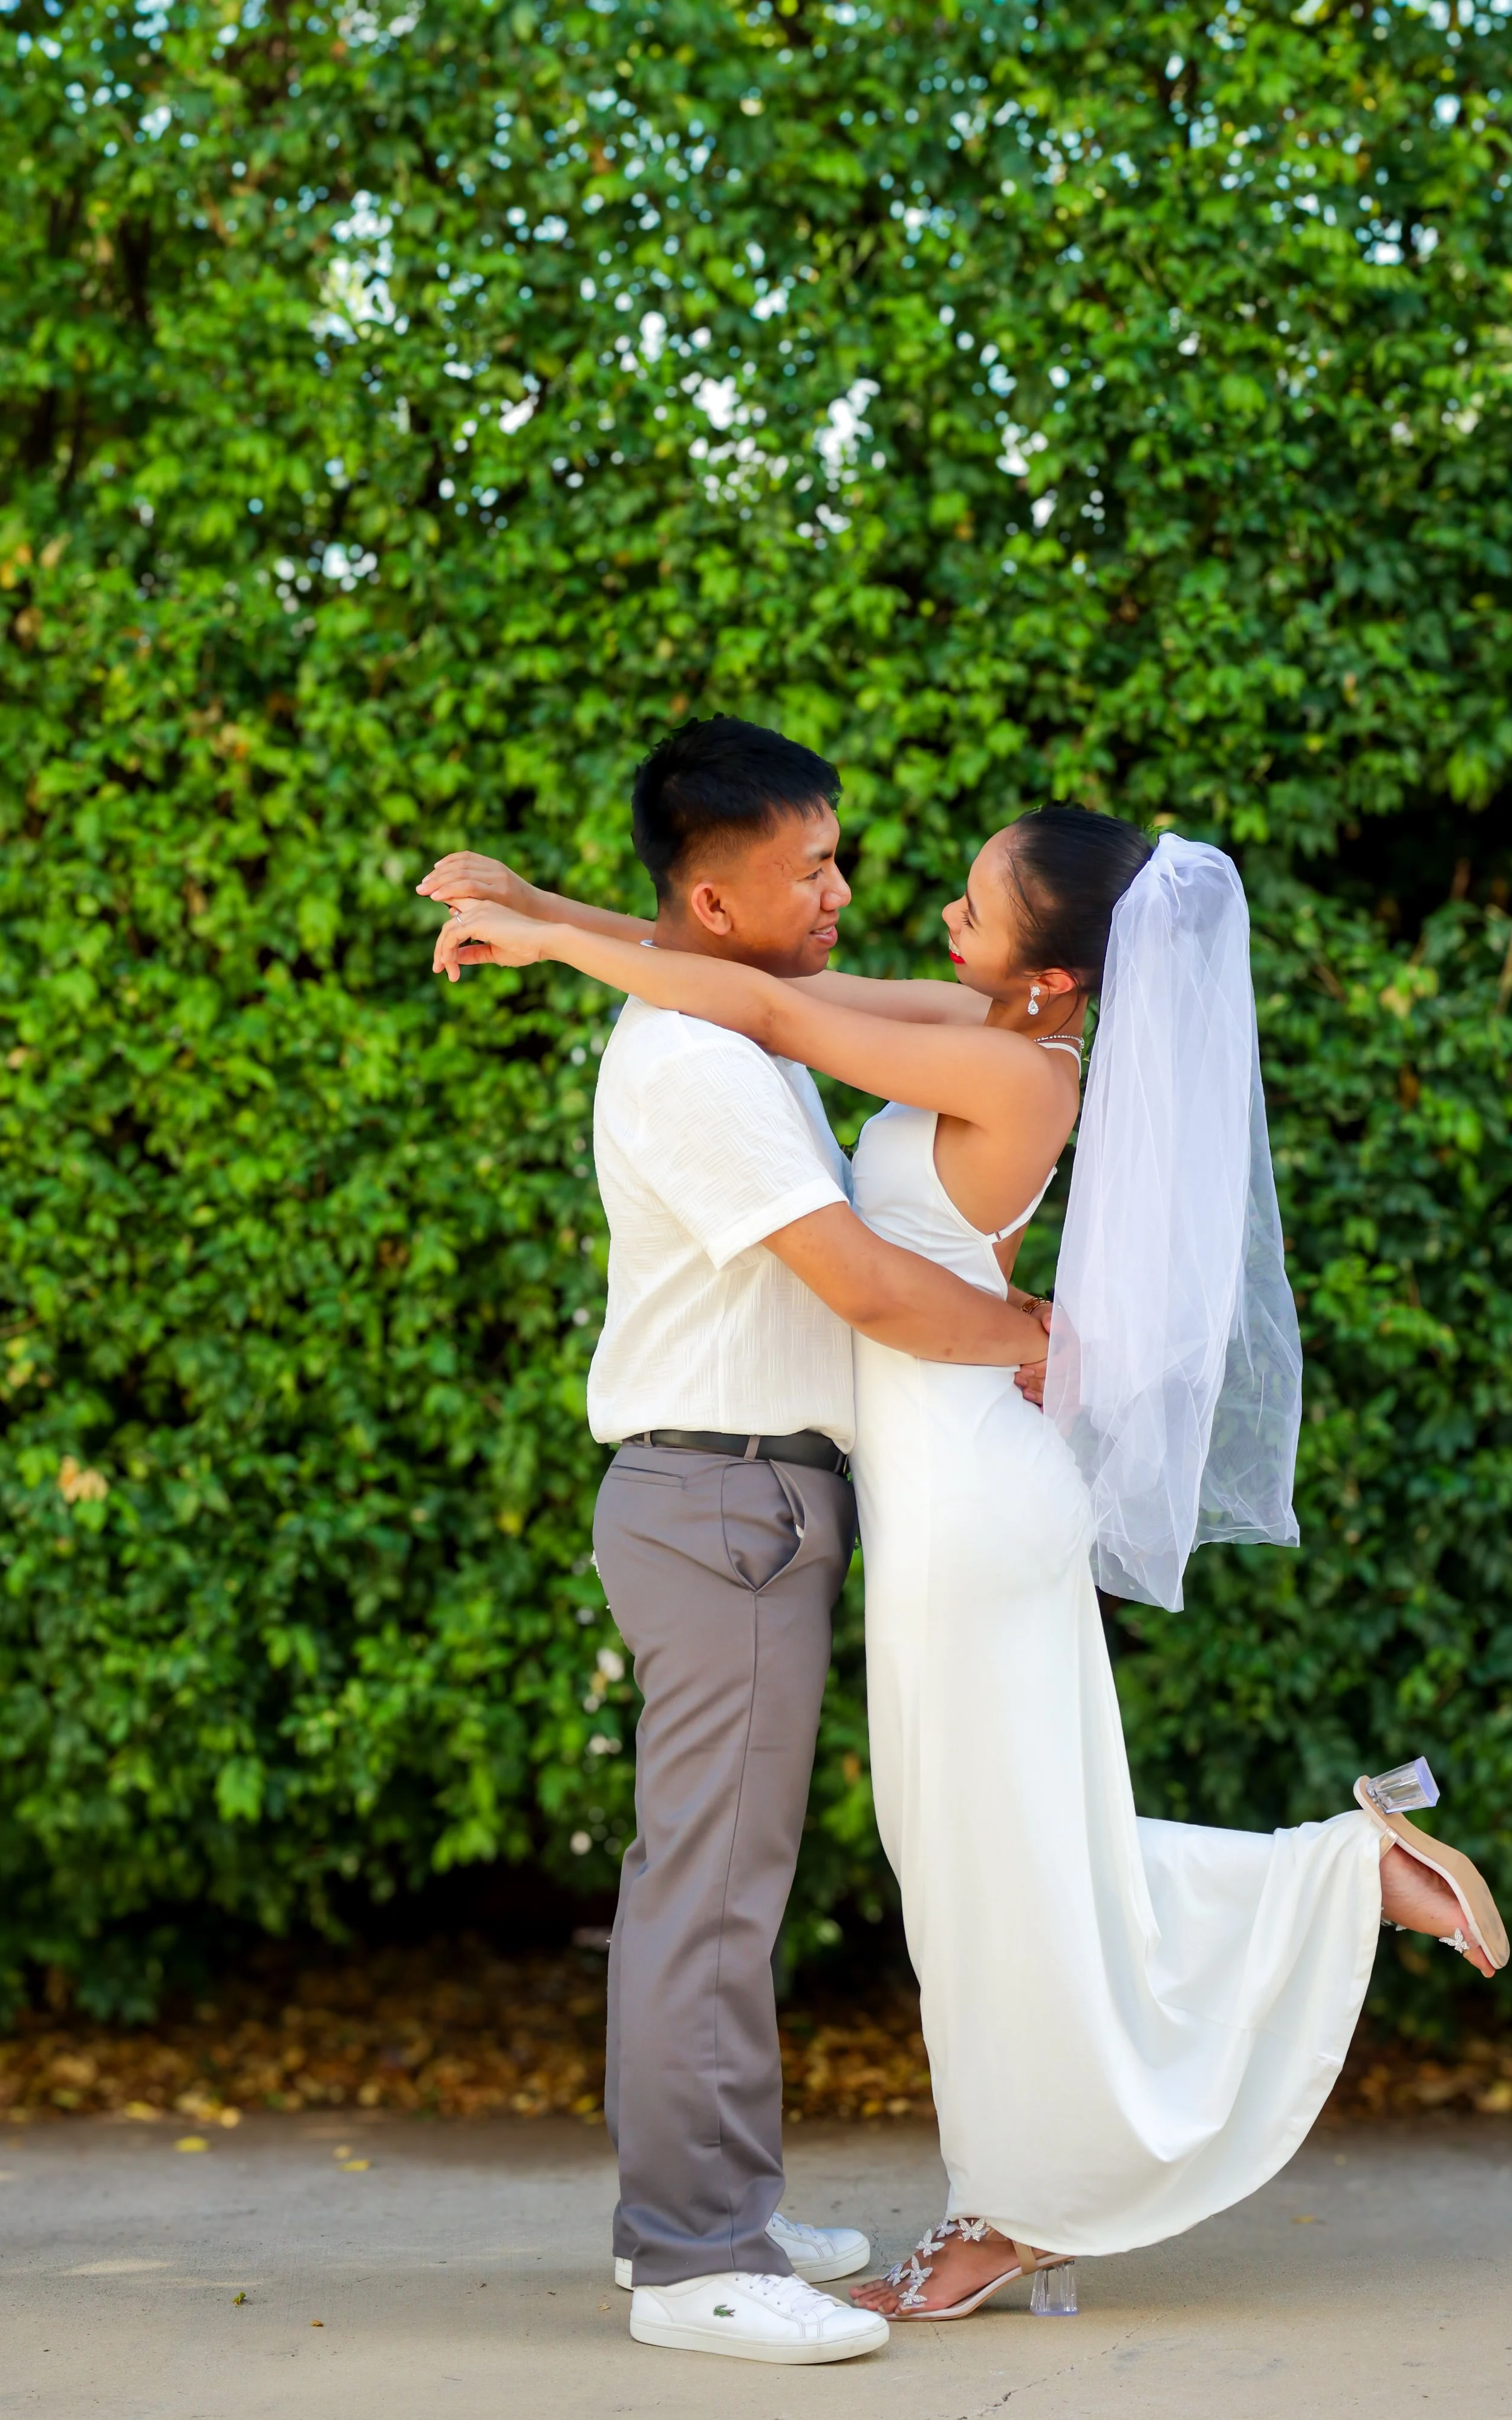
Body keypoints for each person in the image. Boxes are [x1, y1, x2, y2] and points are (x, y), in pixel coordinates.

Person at [428, 771, 1508, 2329]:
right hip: (948, 1493)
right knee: (1008, 1850)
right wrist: (548, 913)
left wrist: (547, 952)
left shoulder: (1027, 1079)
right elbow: (741, 974)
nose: (933, 912)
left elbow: (777, 1023)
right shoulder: (979, 1020)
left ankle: (1025, 2194)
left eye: (972, 907)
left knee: (979, 1874)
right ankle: (1335, 1885)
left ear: (1048, 971)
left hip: (967, 1506)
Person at [423, 719, 1053, 2367]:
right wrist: (1038, 1336)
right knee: (705, 1891)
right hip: (724, 1500)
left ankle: (719, 2214)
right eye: (813, 867)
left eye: (838, 856)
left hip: (743, 1499)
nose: (844, 889)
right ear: (724, 906)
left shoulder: (732, 1012)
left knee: (720, 1884)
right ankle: (696, 2258)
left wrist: (532, 902)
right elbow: (856, 1281)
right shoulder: (698, 1062)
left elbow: (660, 945)